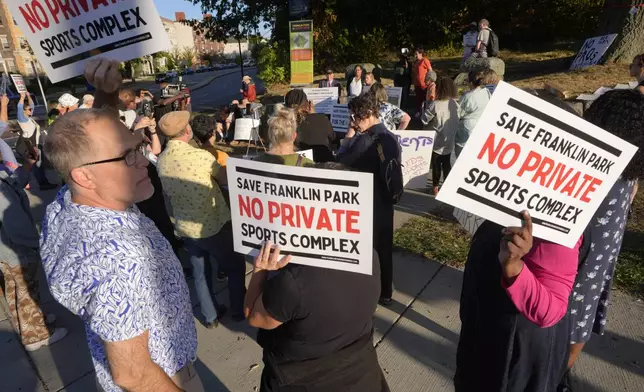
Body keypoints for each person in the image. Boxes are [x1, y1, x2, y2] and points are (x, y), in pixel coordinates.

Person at [41, 58, 202, 391]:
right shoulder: (121, 258)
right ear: (83, 176)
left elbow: (88, 146)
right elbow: (133, 373)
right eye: (127, 156)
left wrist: (104, 95)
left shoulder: (67, 203)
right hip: (162, 376)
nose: (143, 161)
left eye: (137, 148)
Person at [559, 90, 644, 391]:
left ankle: (553, 376)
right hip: (597, 254)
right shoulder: (630, 172)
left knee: (567, 317)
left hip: (577, 253)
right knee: (578, 322)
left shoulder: (585, 165)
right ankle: (557, 376)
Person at [455, 208, 586, 392]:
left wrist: (513, 266)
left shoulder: (557, 218)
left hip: (515, 349)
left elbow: (550, 310)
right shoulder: (506, 201)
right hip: (481, 328)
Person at [246, 237, 390, 392]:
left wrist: (260, 270)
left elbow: (253, 316)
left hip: (302, 379)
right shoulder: (368, 254)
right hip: (360, 370)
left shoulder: (293, 281)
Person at [156, 111, 247, 323]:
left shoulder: (162, 160)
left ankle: (210, 316)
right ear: (187, 130)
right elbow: (226, 178)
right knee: (234, 266)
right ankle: (239, 311)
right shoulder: (200, 156)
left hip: (184, 226)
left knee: (200, 273)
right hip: (211, 224)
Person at [0, 95, 67, 352]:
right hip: (15, 250)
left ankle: (31, 322)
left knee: (19, 290)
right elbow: (15, 223)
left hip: (11, 250)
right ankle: (35, 336)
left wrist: (27, 166)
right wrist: (39, 243)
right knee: (25, 291)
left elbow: (14, 181)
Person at [337, 95, 402, 306]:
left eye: (354, 118)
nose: (353, 122)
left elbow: (339, 164)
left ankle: (368, 295)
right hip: (385, 201)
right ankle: (386, 292)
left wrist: (347, 138)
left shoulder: (363, 141)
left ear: (364, 115)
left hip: (366, 203)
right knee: (384, 248)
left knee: (367, 251)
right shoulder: (390, 137)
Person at [421, 77, 459, 196]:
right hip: (450, 138)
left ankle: (435, 188)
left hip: (437, 138)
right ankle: (447, 187)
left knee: (436, 164)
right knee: (447, 163)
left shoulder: (435, 104)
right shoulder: (455, 104)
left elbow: (424, 119)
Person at [16, 92, 57, 190]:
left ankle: (43, 183)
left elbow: (32, 105)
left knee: (38, 165)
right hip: (29, 146)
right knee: (37, 166)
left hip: (35, 145)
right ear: (23, 111)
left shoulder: (28, 118)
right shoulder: (23, 120)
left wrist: (28, 96)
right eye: (29, 109)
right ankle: (42, 184)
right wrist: (22, 97)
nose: (31, 110)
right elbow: (19, 107)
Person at [284, 89, 335, 163]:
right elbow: (332, 137)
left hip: (299, 165)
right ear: (307, 104)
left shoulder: (285, 124)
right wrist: (314, 115)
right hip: (324, 165)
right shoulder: (322, 118)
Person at [455, 70, 491, 157]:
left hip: (467, 126)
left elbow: (458, 113)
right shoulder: (486, 91)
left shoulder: (468, 96)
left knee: (462, 154)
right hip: (481, 123)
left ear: (470, 82)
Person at [412, 47, 433, 116]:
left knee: (425, 99)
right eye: (414, 54)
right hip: (417, 84)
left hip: (424, 85)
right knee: (418, 99)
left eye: (416, 54)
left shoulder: (425, 60)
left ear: (421, 53)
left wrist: (429, 81)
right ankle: (419, 112)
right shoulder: (415, 61)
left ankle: (425, 113)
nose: (415, 55)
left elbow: (430, 71)